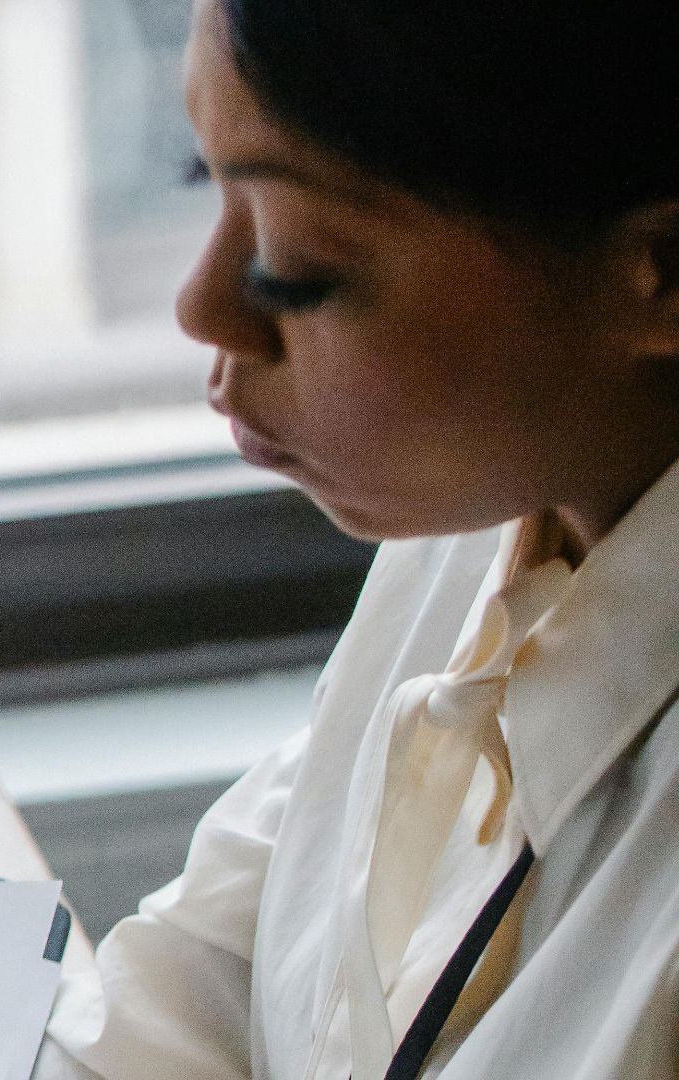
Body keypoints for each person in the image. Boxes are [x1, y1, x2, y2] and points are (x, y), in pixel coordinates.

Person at [34, 1, 679, 1077]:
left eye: (297, 267)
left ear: (660, 274)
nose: (202, 308)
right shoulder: (489, 523)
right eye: (210, 184)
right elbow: (220, 971)